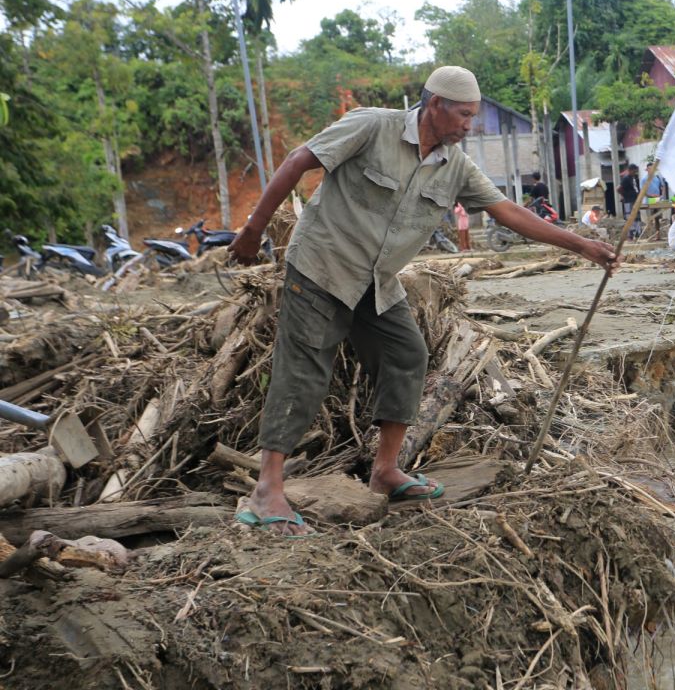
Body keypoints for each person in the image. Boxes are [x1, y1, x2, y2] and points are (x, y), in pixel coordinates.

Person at [228, 66, 618, 535]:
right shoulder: (373, 126)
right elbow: (297, 161)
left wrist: (582, 245)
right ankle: (267, 490)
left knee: (406, 353)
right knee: (303, 372)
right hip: (320, 268)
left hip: (376, 282)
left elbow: (507, 211)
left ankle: (385, 470)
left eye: (472, 117)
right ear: (435, 105)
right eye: (463, 115)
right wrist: (253, 231)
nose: (468, 126)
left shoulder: (455, 165)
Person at [618, 163, 642, 237]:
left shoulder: (633, 178)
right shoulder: (626, 178)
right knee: (630, 217)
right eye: (634, 171)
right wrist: (623, 195)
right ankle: (631, 235)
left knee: (636, 217)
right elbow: (618, 188)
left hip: (635, 200)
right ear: (630, 170)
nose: (635, 173)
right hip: (629, 201)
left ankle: (638, 233)